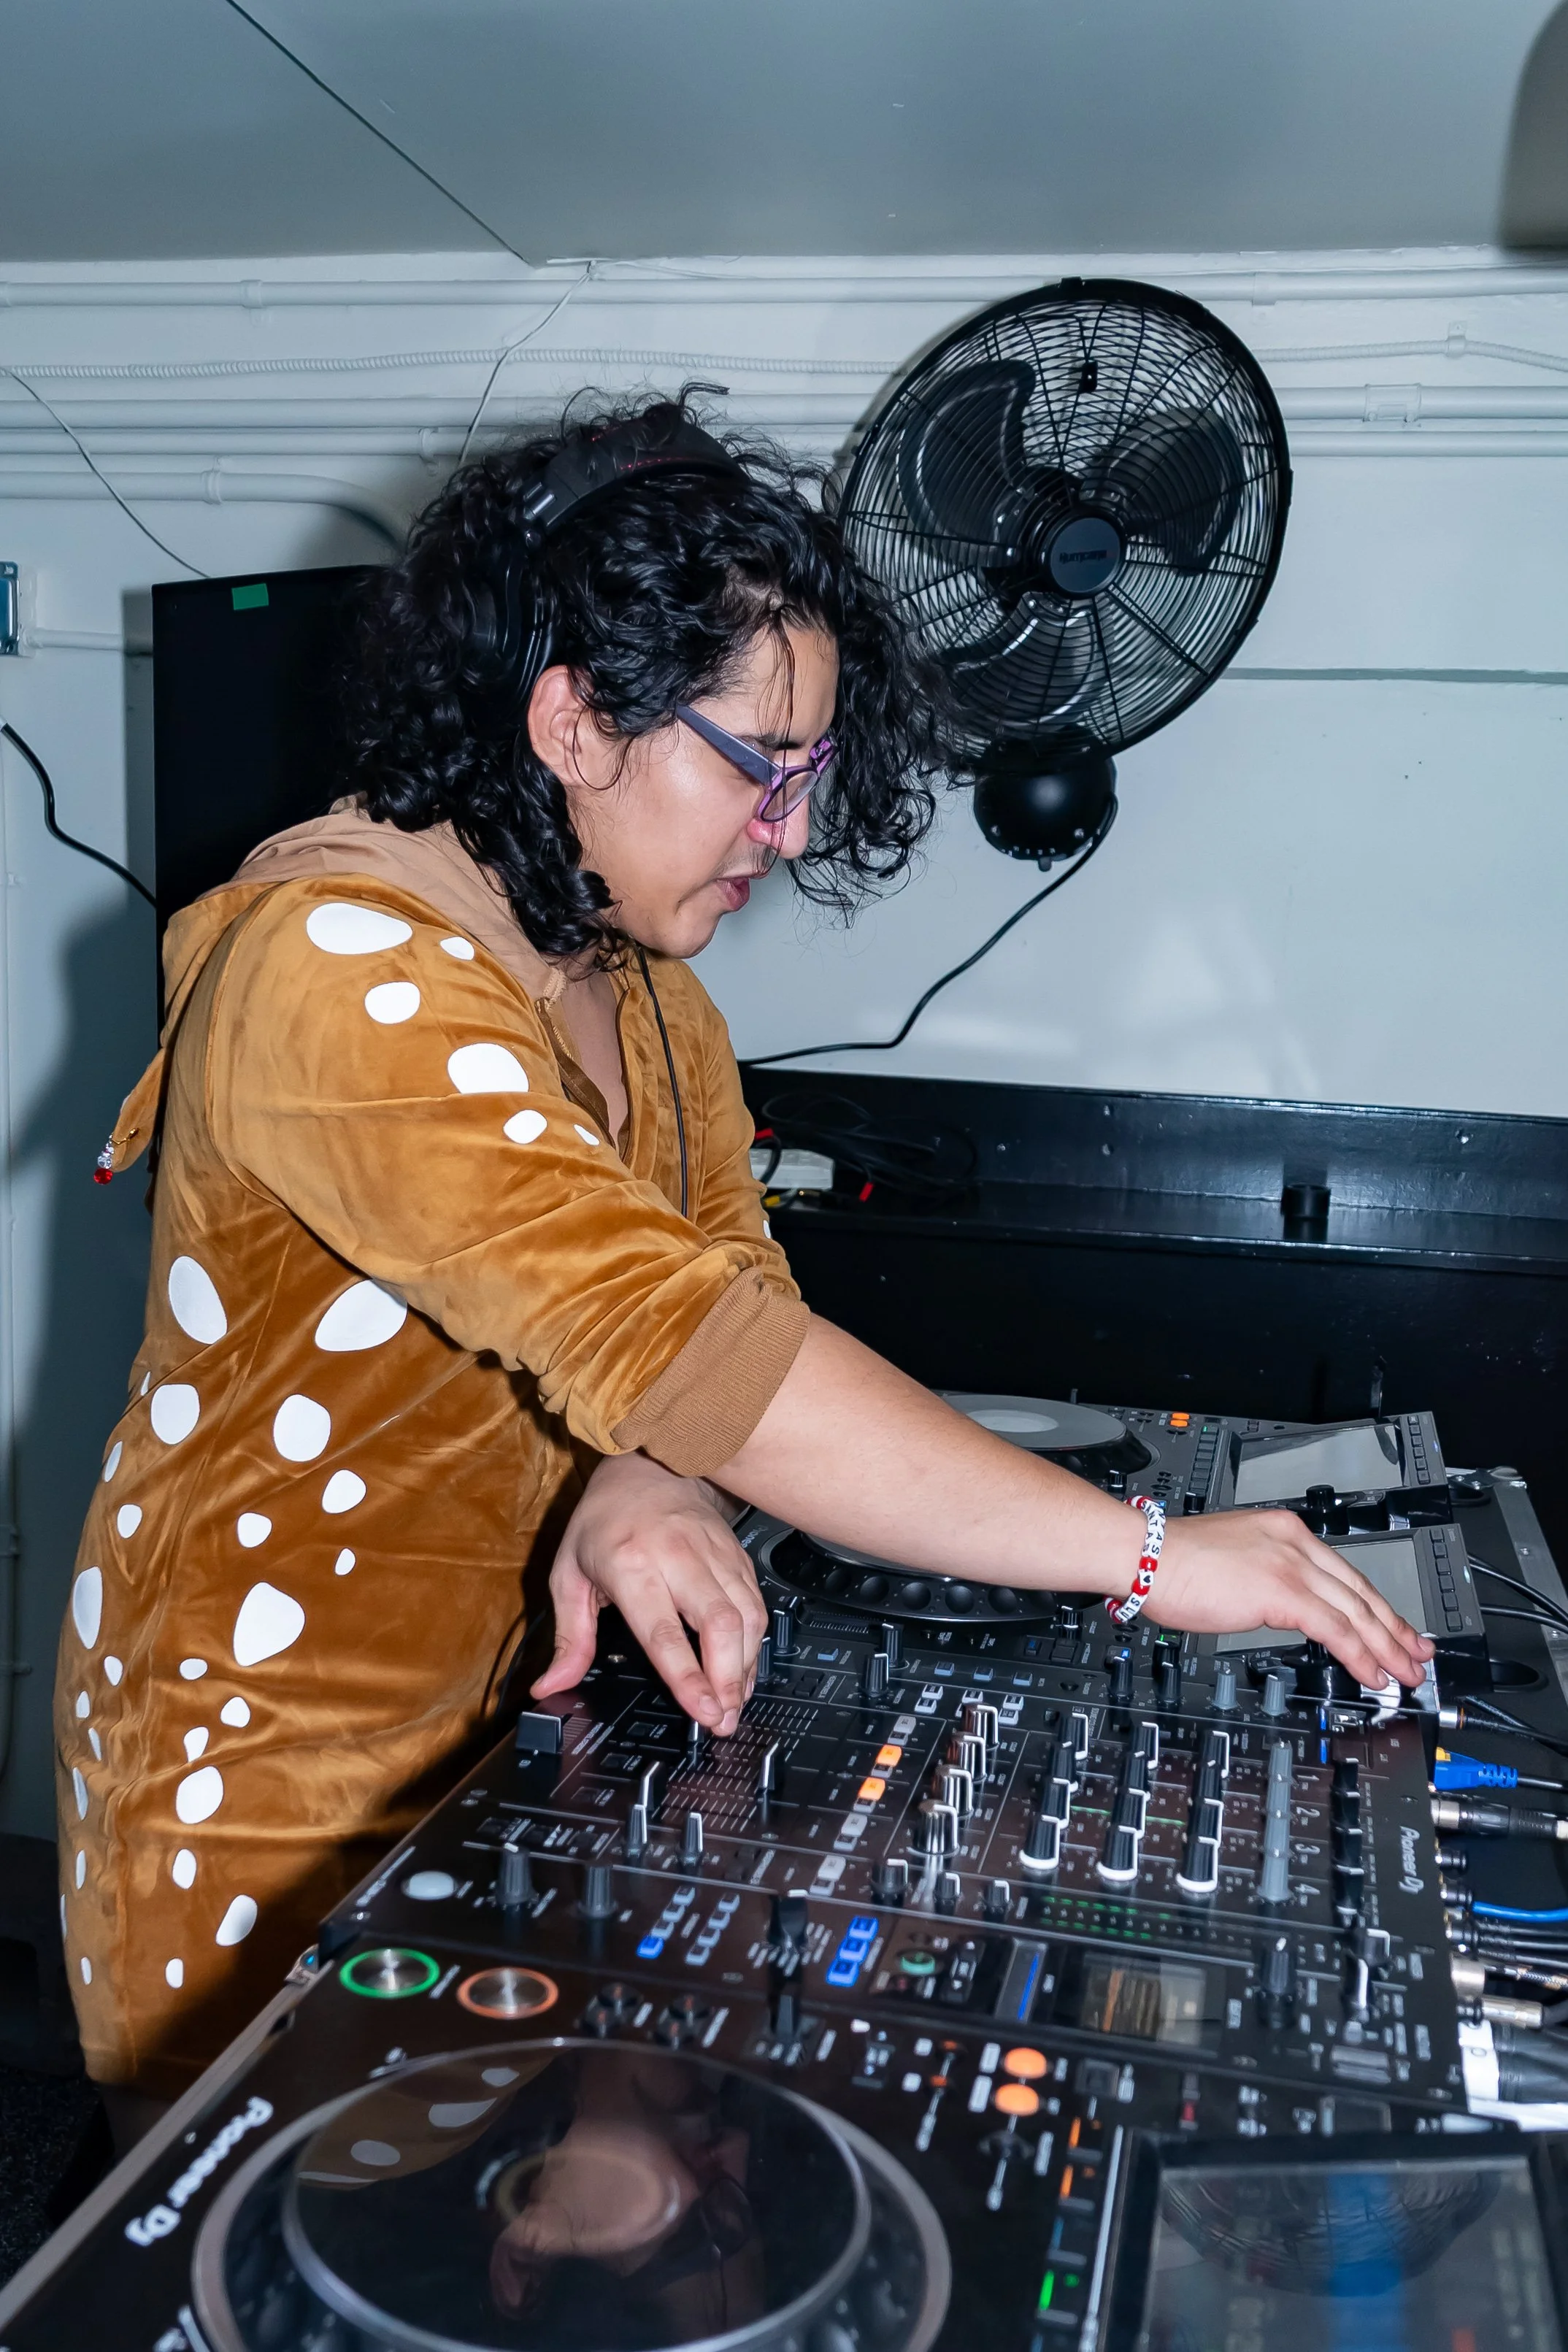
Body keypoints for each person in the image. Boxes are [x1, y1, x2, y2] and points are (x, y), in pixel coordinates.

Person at [55, 396, 1429, 2115]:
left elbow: (715, 1285)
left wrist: (650, 1474)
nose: (787, 828)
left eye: (811, 772)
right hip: (262, 1781)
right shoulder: (335, 966)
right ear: (570, 721)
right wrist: (1149, 1556)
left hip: (499, 1748)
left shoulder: (649, 994)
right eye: (758, 764)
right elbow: (694, 1351)